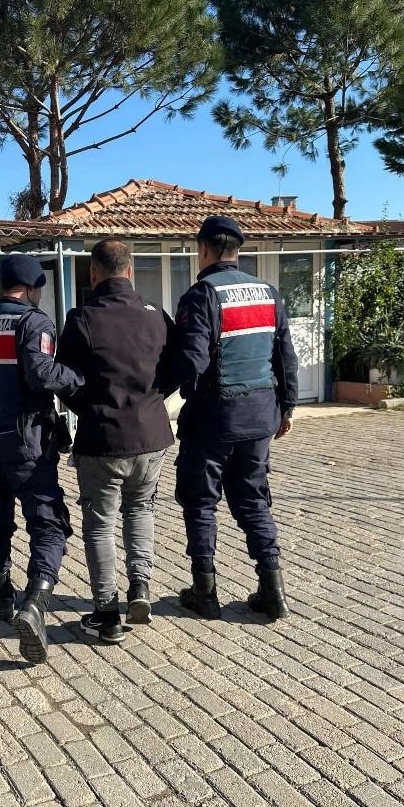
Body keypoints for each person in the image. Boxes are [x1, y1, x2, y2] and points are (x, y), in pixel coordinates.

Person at [0, 255, 83, 664]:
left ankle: (0, 595)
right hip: (28, 446)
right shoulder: (33, 322)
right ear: (30, 288)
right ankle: (35, 603)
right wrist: (78, 379)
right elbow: (42, 374)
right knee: (48, 525)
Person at [172, 216, 298, 621]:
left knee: (201, 502)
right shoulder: (268, 292)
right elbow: (285, 356)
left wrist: (158, 392)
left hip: (213, 419)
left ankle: (204, 592)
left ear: (203, 249)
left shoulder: (201, 295)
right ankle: (273, 591)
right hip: (261, 415)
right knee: (253, 500)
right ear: (237, 251)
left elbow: (192, 359)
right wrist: (287, 408)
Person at [56, 240, 177, 644]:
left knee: (100, 525)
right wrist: (152, 400)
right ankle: (140, 588)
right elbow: (178, 365)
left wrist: (88, 407)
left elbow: (64, 379)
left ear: (93, 273)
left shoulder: (81, 319)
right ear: (130, 270)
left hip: (102, 438)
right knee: (141, 509)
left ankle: (107, 614)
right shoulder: (157, 315)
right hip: (151, 436)